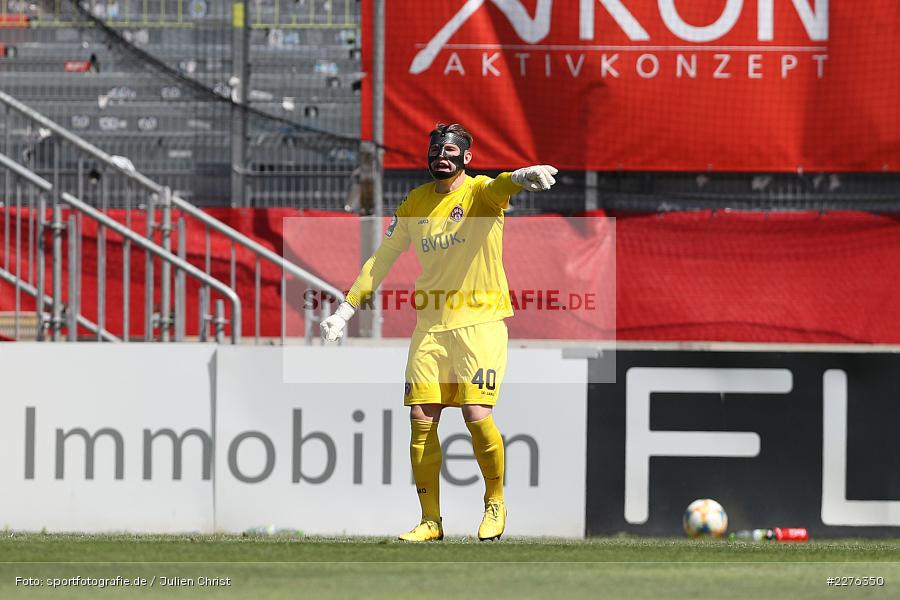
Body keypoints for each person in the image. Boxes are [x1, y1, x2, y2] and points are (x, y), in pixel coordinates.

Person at [321, 123, 557, 541]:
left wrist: (519, 178)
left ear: (467, 157)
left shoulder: (479, 193)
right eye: (435, 150)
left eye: (450, 150)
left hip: (480, 324)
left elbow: (499, 187)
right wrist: (345, 309)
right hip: (430, 328)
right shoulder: (415, 202)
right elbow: (382, 258)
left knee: (475, 414)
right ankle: (431, 521)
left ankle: (495, 502)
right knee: (420, 418)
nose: (440, 156)